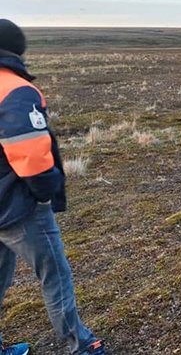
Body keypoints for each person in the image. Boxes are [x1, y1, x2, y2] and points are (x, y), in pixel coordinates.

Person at [0, 19, 108, 355]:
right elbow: (31, 153)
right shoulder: (16, 90)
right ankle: (80, 344)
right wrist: (45, 193)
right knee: (55, 275)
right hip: (16, 206)